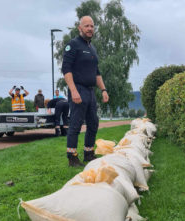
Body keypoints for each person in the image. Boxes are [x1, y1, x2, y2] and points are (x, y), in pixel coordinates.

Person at [62, 15, 109, 167]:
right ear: (80, 28)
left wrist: (103, 90)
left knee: (93, 123)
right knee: (75, 123)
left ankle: (89, 153)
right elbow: (66, 70)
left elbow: (97, 72)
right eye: (87, 26)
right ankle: (72, 157)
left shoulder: (92, 48)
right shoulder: (73, 45)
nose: (90, 29)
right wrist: (73, 91)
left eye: (92, 26)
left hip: (90, 91)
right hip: (78, 89)